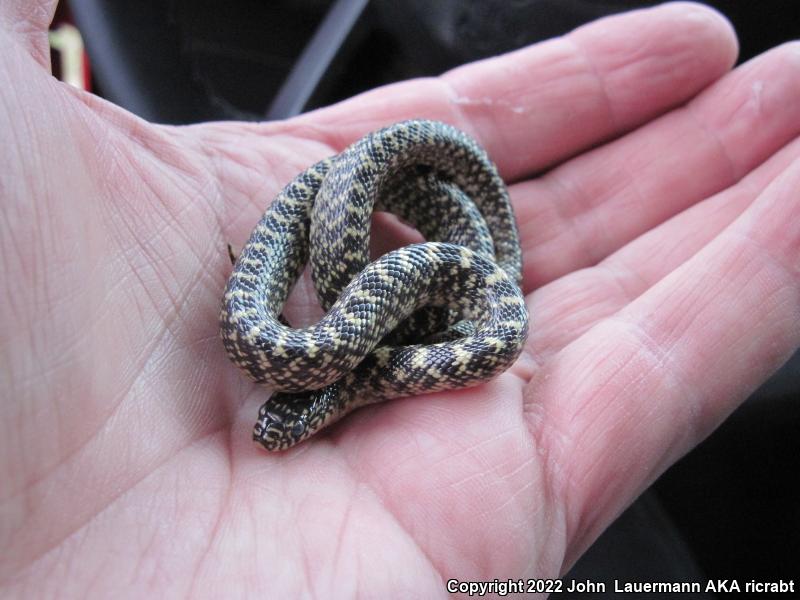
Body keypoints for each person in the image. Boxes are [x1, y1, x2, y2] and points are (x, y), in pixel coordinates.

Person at [2, 1, 798, 596]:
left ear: (323, 404)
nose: (275, 426)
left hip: (419, 283)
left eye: (291, 414)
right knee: (352, 234)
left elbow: (373, 350)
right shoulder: (316, 341)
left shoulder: (400, 338)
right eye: (291, 412)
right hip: (388, 278)